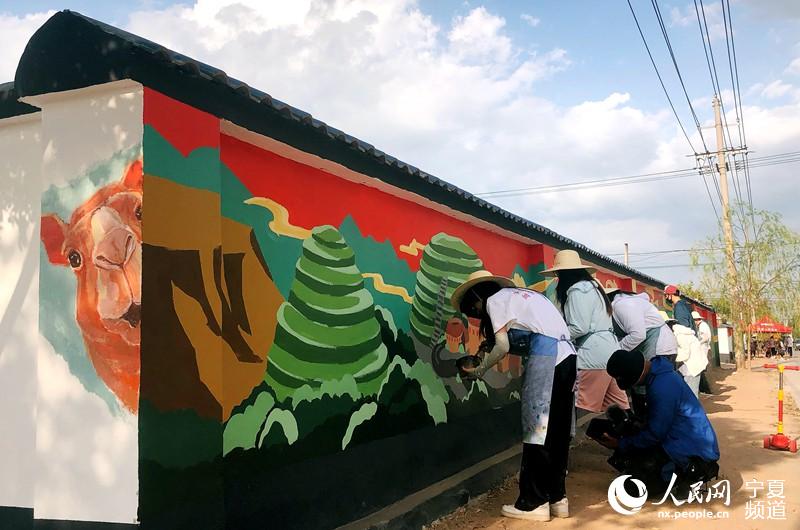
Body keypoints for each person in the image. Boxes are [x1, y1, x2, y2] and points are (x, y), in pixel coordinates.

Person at [452, 270, 577, 522]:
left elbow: (503, 346)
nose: (476, 315)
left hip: (547, 360)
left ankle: (533, 502)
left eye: (472, 310)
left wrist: (479, 369)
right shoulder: (528, 296)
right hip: (569, 359)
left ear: (477, 297)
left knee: (537, 429)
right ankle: (557, 498)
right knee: (557, 431)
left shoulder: (495, 300)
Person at [599, 349, 720, 499]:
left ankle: (685, 476)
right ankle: (677, 475)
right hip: (690, 442)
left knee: (630, 489)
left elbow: (655, 434)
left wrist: (621, 444)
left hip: (693, 453)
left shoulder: (662, 387)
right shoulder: (660, 374)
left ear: (635, 377)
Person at [542, 250, 627, 415]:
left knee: (580, 408)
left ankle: (568, 440)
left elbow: (579, 327)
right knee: (619, 409)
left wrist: (555, 337)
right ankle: (633, 437)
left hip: (592, 357)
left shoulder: (577, 291)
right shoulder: (594, 288)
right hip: (611, 353)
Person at [605, 288, 678, 417]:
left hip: (659, 350)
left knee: (653, 398)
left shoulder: (623, 305)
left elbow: (638, 335)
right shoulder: (625, 304)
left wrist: (617, 351)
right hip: (654, 349)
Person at [666, 318, 708, 397]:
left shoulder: (680, 336)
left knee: (692, 393)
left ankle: (695, 409)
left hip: (692, 366)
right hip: (691, 364)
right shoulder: (683, 333)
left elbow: (685, 353)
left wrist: (674, 358)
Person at [692, 311, 713, 394]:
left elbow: (705, 338)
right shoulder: (702, 326)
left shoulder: (702, 326)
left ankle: (707, 390)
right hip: (704, 350)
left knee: (704, 372)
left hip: (705, 350)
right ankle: (704, 389)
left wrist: (697, 342)